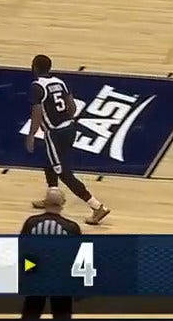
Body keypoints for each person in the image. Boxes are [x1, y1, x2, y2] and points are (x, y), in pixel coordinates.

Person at [26, 54, 110, 225]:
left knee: (62, 171)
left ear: (34, 67)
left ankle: (96, 206)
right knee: (49, 162)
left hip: (54, 133)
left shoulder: (36, 87)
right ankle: (52, 196)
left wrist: (31, 134)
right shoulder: (59, 82)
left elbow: (36, 113)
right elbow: (71, 105)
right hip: (70, 128)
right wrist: (66, 119)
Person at [20, 188, 79, 320]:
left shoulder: (31, 223)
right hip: (61, 280)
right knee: (62, 318)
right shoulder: (71, 227)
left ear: (45, 202)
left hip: (36, 277)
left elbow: (22, 251)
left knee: (30, 315)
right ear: (63, 203)